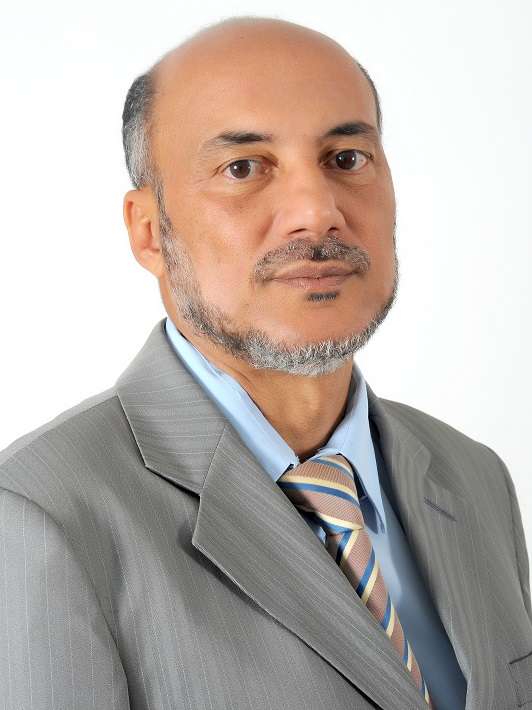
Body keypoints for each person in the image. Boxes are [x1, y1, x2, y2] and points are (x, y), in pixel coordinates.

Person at [0, 17, 530, 710]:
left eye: (346, 158)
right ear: (149, 232)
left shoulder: (474, 476)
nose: (317, 211)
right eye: (243, 167)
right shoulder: (39, 516)